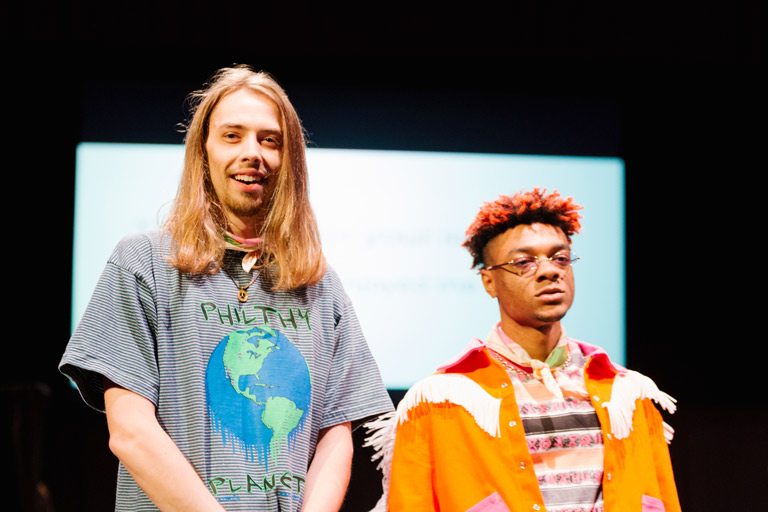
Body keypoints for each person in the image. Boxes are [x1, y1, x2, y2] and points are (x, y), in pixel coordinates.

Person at [60, 65, 393, 512]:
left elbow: (335, 437)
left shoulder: (320, 285)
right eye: (232, 136)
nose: (252, 152)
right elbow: (130, 433)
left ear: (290, 159)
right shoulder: (143, 262)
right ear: (204, 152)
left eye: (269, 140)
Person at [365, 188, 680, 512]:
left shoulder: (626, 393)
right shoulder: (440, 400)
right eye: (524, 262)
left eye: (560, 258)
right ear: (489, 282)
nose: (549, 271)